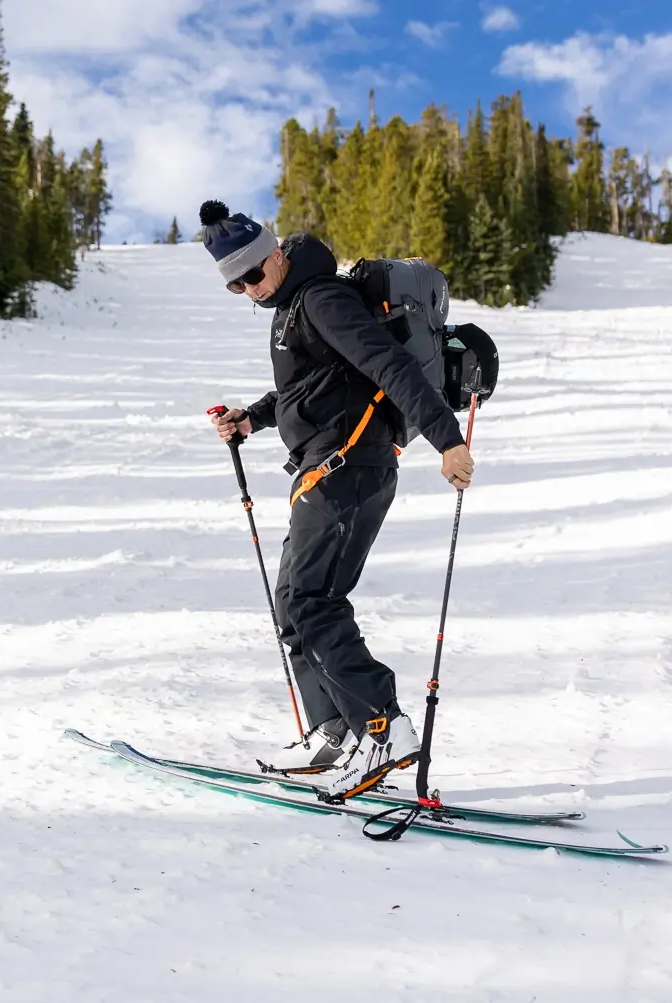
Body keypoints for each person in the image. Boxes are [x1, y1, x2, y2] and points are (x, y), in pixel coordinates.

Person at [198, 199, 474, 800]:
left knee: (313, 600)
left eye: (252, 273)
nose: (248, 289)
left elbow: (390, 364)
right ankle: (335, 732)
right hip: (324, 469)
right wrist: (252, 419)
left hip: (350, 466)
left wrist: (446, 440)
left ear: (275, 253)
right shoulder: (290, 309)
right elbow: (308, 392)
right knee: (292, 603)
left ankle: (382, 728)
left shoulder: (322, 299)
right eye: (235, 284)